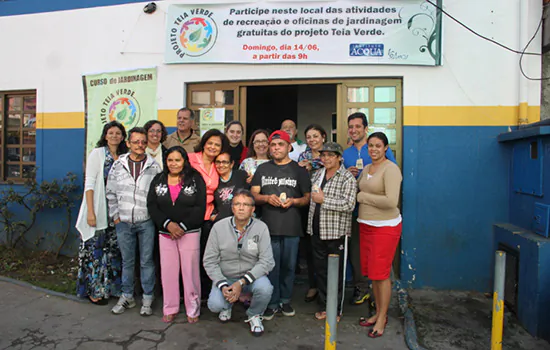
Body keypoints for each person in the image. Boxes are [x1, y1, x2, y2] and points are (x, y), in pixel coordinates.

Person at [251, 130, 311, 319]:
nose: (276, 148)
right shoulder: (263, 169)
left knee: (289, 266)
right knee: (270, 266)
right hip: (268, 227)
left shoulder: (299, 170)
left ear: (288, 147)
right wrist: (267, 198)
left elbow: (308, 198)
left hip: (292, 226)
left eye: (280, 144)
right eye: (273, 145)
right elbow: (252, 195)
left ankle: (285, 300)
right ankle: (272, 302)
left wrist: (293, 201)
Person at [147, 146, 206, 324]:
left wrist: (181, 226)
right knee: (168, 272)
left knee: (190, 272)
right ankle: (170, 307)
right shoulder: (158, 179)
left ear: (184, 161)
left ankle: (193, 309)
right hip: (166, 233)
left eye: (177, 160)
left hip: (189, 232)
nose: (173, 164)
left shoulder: (195, 179)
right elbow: (152, 205)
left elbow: (200, 207)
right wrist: (167, 224)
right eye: (170, 160)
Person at [106, 127, 162, 315]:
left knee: (146, 261)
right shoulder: (118, 165)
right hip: (123, 221)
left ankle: (147, 298)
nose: (140, 145)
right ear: (128, 143)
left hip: (145, 221)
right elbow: (111, 192)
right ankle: (127, 296)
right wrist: (115, 216)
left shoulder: (154, 166)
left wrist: (154, 218)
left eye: (143, 142)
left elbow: (158, 195)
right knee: (127, 261)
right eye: (136, 142)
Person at [204, 189, 275, 337]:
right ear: (232, 207)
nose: (241, 208)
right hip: (226, 277)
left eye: (246, 204)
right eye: (237, 204)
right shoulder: (219, 227)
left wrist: (241, 283)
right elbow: (209, 261)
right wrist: (223, 285)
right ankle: (227, 304)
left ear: (253, 209)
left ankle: (254, 314)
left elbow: (267, 261)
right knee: (214, 305)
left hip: (251, 277)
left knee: (266, 288)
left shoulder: (261, 228)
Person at [342, 112, 396, 306]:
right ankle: (362, 289)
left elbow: (392, 174)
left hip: (379, 214)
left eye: (358, 126)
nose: (354, 130)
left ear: (365, 128)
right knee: (358, 254)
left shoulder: (376, 148)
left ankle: (379, 296)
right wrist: (346, 173)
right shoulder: (346, 153)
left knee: (379, 257)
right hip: (355, 212)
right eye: (351, 127)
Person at [76, 121, 128, 305]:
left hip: (117, 212)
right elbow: (89, 184)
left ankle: (112, 288)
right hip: (98, 209)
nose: (114, 136)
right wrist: (91, 212)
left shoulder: (124, 156)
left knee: (114, 251)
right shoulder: (97, 154)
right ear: (105, 135)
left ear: (123, 137)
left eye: (118, 133)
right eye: (111, 132)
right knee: (96, 251)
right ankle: (94, 291)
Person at [356, 132, 402, 338]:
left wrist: (364, 197)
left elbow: (391, 201)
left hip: (385, 227)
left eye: (378, 146)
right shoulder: (366, 168)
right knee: (373, 274)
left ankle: (382, 317)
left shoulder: (391, 169)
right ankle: (377, 312)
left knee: (381, 274)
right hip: (366, 225)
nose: (373, 149)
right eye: (370, 146)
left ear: (385, 148)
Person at [307, 142, 356, 321]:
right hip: (317, 230)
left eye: (330, 155)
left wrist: (324, 200)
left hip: (337, 233)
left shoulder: (347, 178)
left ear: (339, 157)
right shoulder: (318, 174)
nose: (326, 158)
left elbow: (349, 205)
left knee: (337, 273)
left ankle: (337, 310)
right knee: (321, 271)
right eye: (324, 155)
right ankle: (324, 306)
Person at [188, 129, 230, 300]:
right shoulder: (190, 159)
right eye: (210, 143)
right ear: (204, 143)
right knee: (189, 257)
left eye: (217, 145)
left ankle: (204, 294)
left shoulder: (218, 165)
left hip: (207, 217)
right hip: (189, 215)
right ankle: (188, 293)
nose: (213, 147)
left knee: (206, 257)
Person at [297, 123, 327, 303]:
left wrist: (312, 165)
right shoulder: (303, 155)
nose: (312, 140)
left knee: (325, 248)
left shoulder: (330, 153)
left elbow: (330, 164)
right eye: (309, 137)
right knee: (309, 248)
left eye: (315, 136)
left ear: (323, 136)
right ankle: (313, 285)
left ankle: (327, 288)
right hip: (308, 206)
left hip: (327, 206)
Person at [213, 151, 249, 223]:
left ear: (231, 164)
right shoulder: (213, 179)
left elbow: (250, 195)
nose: (221, 165)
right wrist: (213, 216)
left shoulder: (241, 175)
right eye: (218, 162)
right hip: (222, 222)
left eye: (225, 162)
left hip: (242, 220)